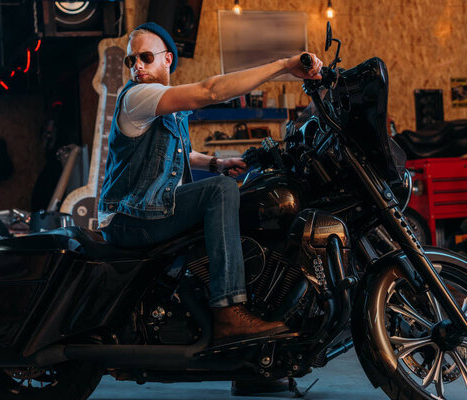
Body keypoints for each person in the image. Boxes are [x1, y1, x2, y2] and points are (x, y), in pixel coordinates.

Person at [99, 22, 322, 344]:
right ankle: (228, 310)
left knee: (232, 192)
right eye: (131, 60)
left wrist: (215, 163)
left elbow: (179, 153)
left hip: (141, 212)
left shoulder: (163, 105)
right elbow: (210, 92)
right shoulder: (138, 96)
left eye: (145, 57)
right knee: (220, 190)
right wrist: (284, 65)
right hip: (131, 218)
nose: (137, 65)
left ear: (167, 60)